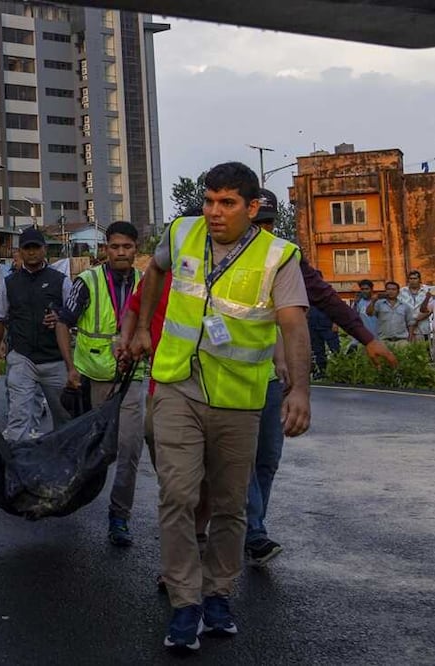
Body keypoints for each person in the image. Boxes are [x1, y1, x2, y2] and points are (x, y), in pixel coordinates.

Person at [126, 162, 311, 651]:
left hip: (237, 399)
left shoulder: (279, 256)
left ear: (252, 208)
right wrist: (143, 326)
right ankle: (184, 601)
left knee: (230, 507)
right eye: (209, 200)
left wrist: (300, 392)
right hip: (176, 385)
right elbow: (154, 272)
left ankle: (218, 595)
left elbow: (294, 325)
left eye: (226, 203)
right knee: (179, 495)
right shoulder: (183, 231)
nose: (213, 211)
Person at [243, 192, 396, 568]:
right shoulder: (213, 256)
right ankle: (251, 531)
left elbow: (327, 298)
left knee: (267, 460)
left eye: (268, 223)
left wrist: (369, 339)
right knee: (238, 462)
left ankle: (249, 524)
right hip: (219, 382)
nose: (262, 230)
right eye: (256, 222)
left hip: (266, 379)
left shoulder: (283, 257)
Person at [57, 221, 146, 547]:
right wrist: (70, 368)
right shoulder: (88, 281)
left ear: (136, 249)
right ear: (105, 249)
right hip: (92, 378)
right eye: (115, 247)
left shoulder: (146, 284)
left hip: (131, 377)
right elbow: (63, 324)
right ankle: (67, 496)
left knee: (130, 449)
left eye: (127, 246)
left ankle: (119, 517)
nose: (121, 252)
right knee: (95, 450)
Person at [0, 227, 77, 442]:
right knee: (18, 420)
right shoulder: (10, 283)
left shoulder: (61, 281)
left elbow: (75, 316)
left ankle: (63, 467)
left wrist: (60, 318)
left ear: (44, 249)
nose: (32, 253)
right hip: (22, 358)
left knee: (66, 419)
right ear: (20, 252)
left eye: (36, 247)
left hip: (56, 360)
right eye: (27, 248)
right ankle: (17, 469)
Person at [398, 270, 431, 342]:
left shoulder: (428, 290)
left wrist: (415, 320)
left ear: (420, 279)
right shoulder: (401, 291)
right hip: (406, 329)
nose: (412, 281)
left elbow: (429, 309)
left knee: (424, 351)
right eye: (411, 278)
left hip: (423, 328)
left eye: (415, 278)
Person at [307, 305, 339, 378]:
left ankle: (340, 371)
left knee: (335, 349)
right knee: (318, 350)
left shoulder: (327, 293)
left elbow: (335, 306)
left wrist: (335, 322)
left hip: (327, 324)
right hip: (313, 324)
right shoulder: (307, 294)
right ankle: (322, 371)